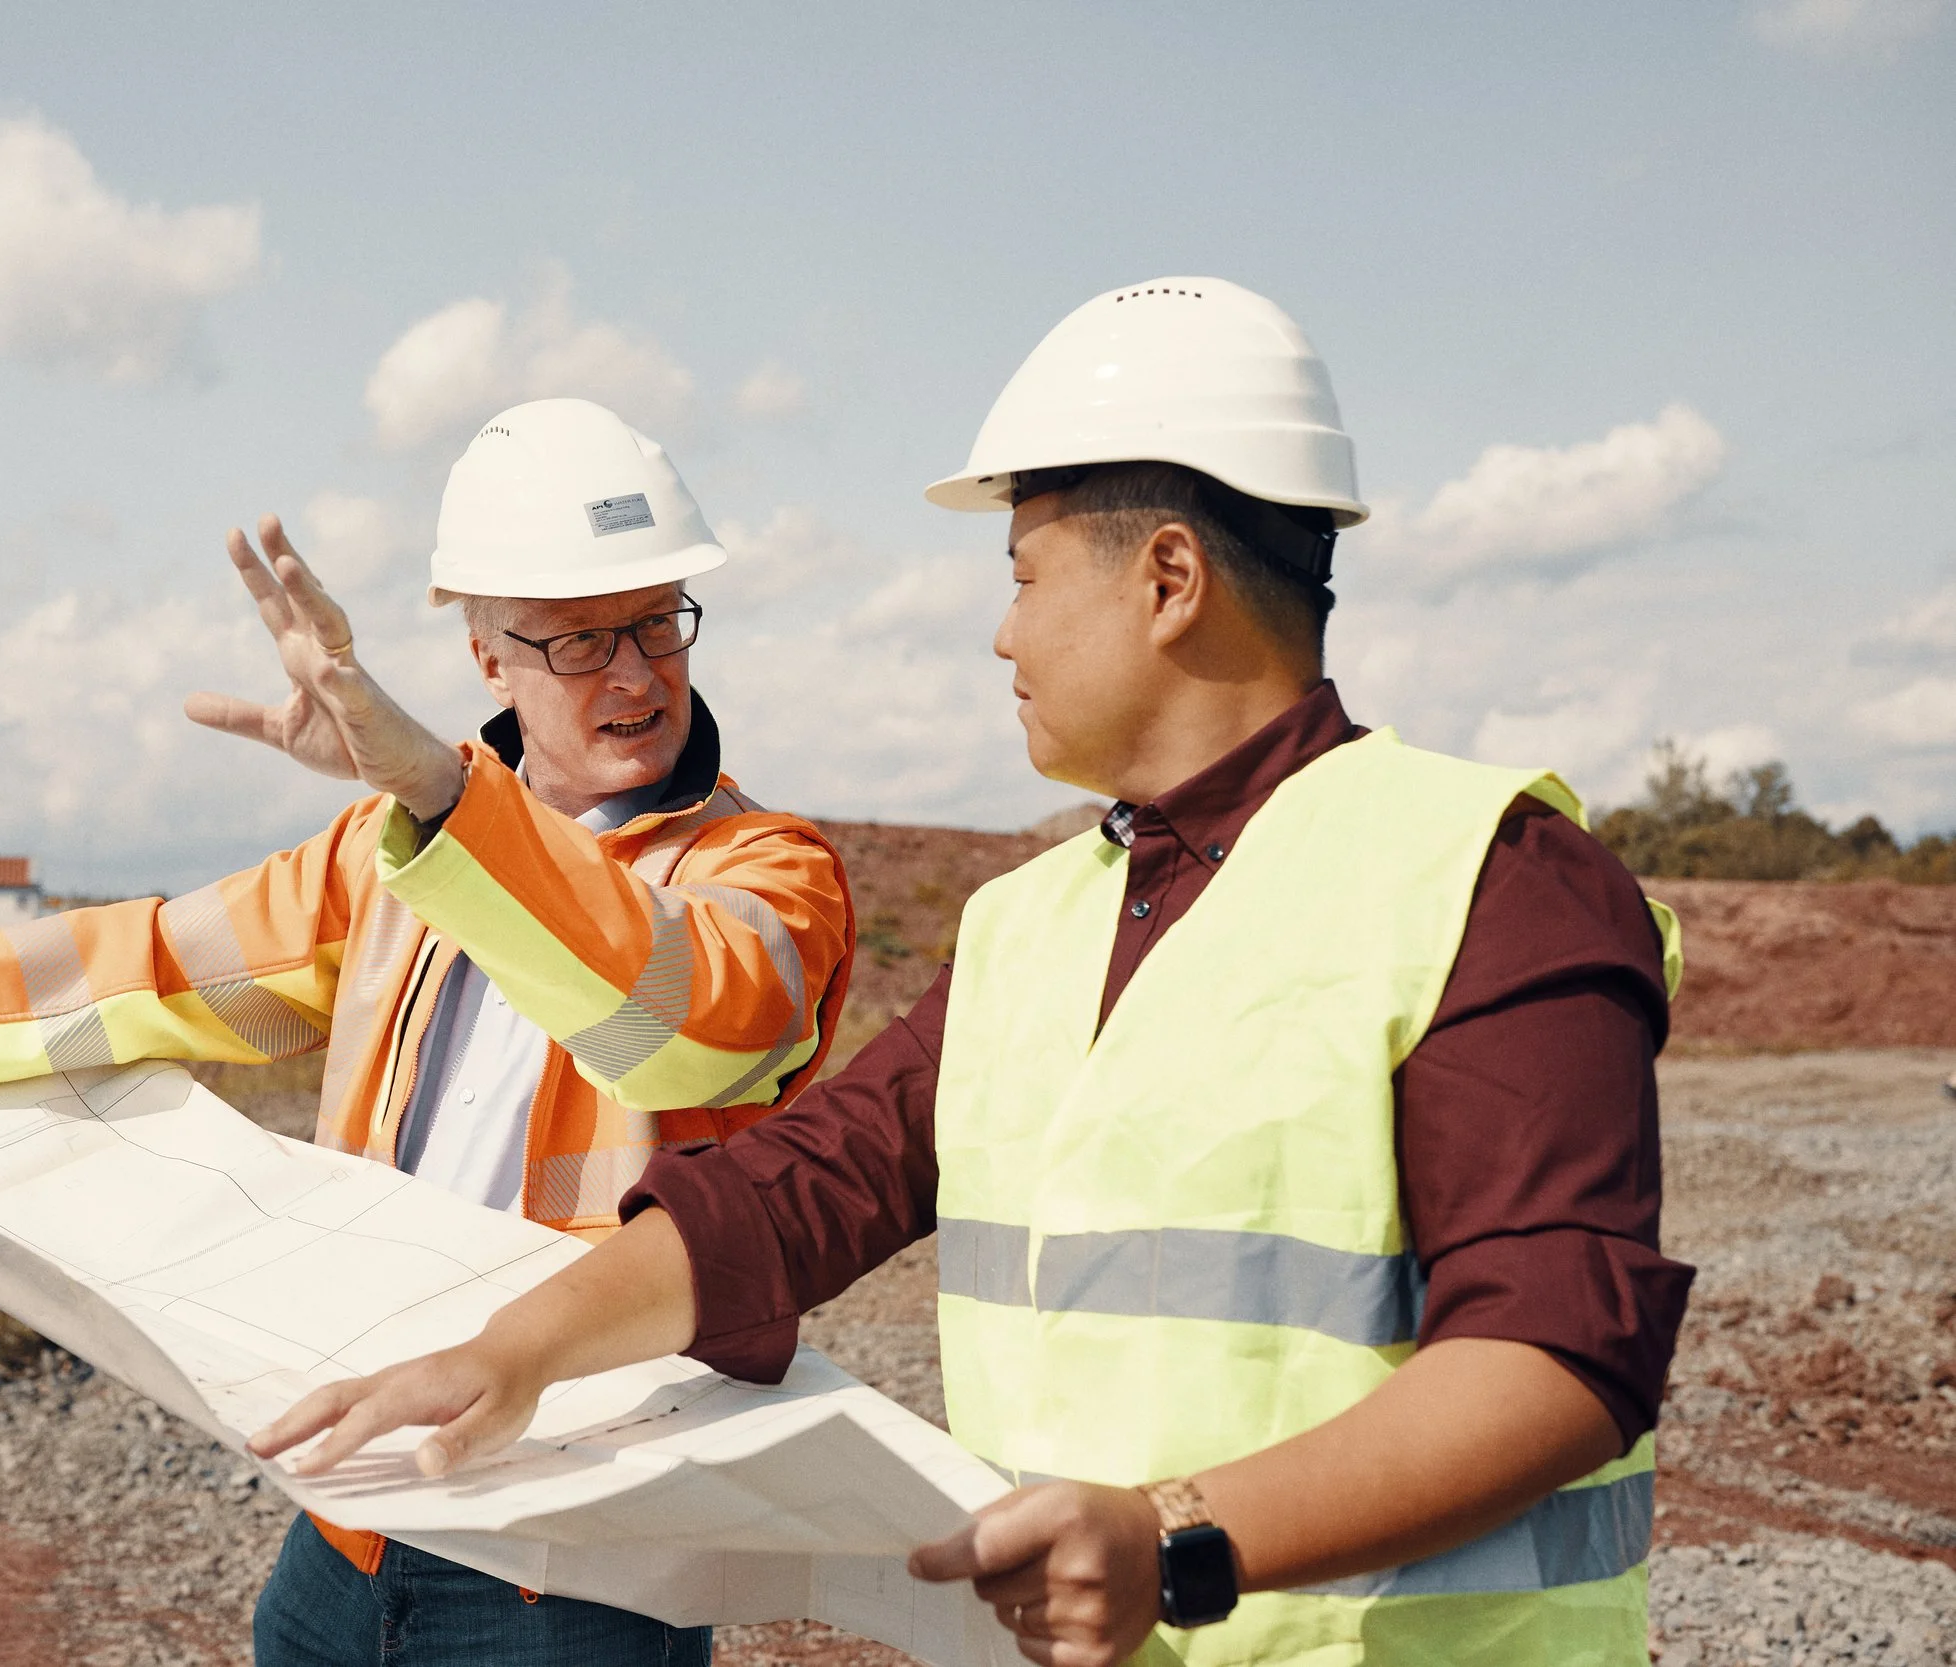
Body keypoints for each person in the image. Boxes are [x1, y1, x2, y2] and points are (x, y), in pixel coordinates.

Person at [253, 281, 1695, 1667]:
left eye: (1022, 575)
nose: (1001, 631)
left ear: (1169, 579)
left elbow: (1553, 1354)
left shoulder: (1491, 877)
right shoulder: (1033, 921)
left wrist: (1176, 1537)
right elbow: (797, 1189)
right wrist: (521, 1346)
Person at [0, 397, 857, 1667]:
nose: (638, 672)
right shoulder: (383, 866)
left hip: (583, 1550)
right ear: (489, 656)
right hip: (357, 1509)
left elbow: (687, 1019)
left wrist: (436, 788)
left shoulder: (766, 870)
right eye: (586, 639)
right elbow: (127, 967)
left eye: (659, 622)